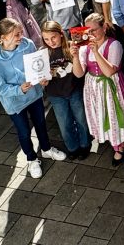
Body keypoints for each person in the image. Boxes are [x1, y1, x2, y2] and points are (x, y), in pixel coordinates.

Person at [0, 19, 69, 179]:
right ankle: (31, 159)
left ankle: (46, 149)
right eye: (16, 34)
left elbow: (37, 65)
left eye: (21, 33)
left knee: (41, 124)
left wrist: (43, 77)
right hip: (15, 104)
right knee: (24, 132)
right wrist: (18, 89)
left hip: (34, 95)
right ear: (2, 38)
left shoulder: (28, 44)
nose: (21, 36)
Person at [77, 14, 124, 169]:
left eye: (94, 30)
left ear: (104, 27)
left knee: (117, 123)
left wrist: (96, 52)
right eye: (88, 31)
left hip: (111, 88)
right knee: (102, 119)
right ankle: (117, 146)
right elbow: (79, 73)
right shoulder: (84, 47)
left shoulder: (114, 45)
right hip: (93, 89)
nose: (91, 34)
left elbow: (109, 72)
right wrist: (74, 56)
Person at [40, 21, 92, 160]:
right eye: (46, 39)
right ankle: (72, 147)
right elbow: (42, 79)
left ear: (61, 34)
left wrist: (75, 56)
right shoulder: (42, 53)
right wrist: (42, 82)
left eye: (53, 37)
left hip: (74, 90)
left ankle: (85, 144)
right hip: (55, 95)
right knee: (64, 123)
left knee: (81, 119)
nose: (50, 42)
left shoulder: (72, 47)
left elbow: (79, 74)